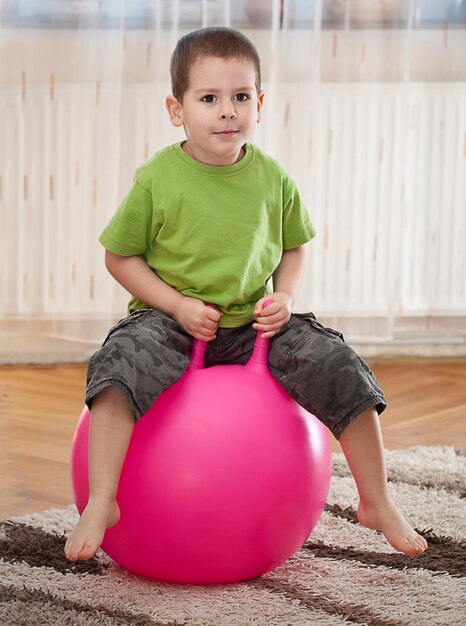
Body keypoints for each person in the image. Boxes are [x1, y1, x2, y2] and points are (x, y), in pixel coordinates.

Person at [64, 26, 427, 562]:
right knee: (116, 368)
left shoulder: (273, 178)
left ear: (259, 103)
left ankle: (376, 501)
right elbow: (119, 257)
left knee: (340, 364)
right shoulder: (156, 179)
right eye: (209, 98)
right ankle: (101, 501)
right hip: (168, 320)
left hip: (250, 325)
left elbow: (295, 246)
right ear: (176, 108)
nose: (226, 111)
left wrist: (284, 295)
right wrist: (176, 305)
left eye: (240, 97)